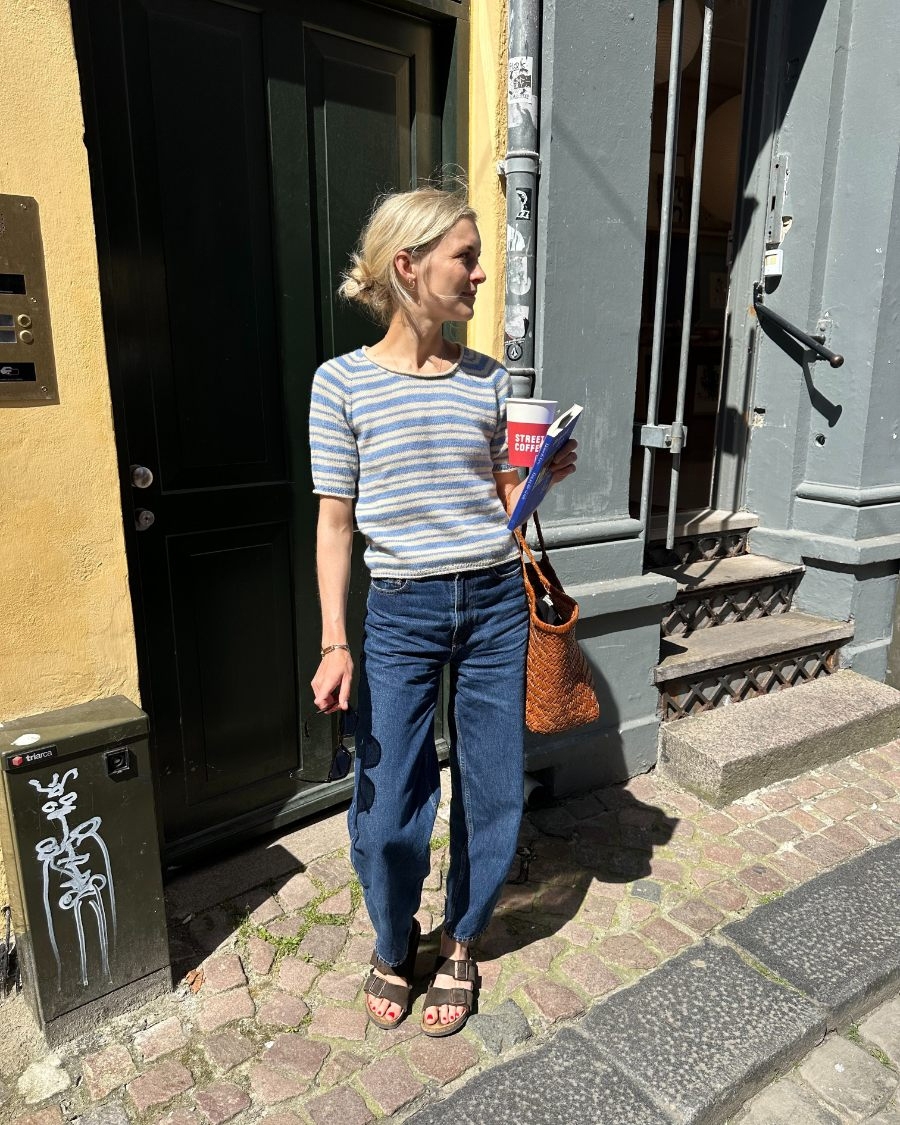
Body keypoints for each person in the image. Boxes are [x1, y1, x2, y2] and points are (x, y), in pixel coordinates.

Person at [309, 186, 576, 1037]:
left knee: (492, 783)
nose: (480, 274)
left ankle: (462, 938)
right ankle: (395, 939)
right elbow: (335, 524)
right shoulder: (340, 384)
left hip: (495, 600)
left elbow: (503, 504)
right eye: (466, 257)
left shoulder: (489, 379)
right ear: (409, 266)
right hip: (401, 609)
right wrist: (334, 641)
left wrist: (538, 480)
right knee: (389, 799)